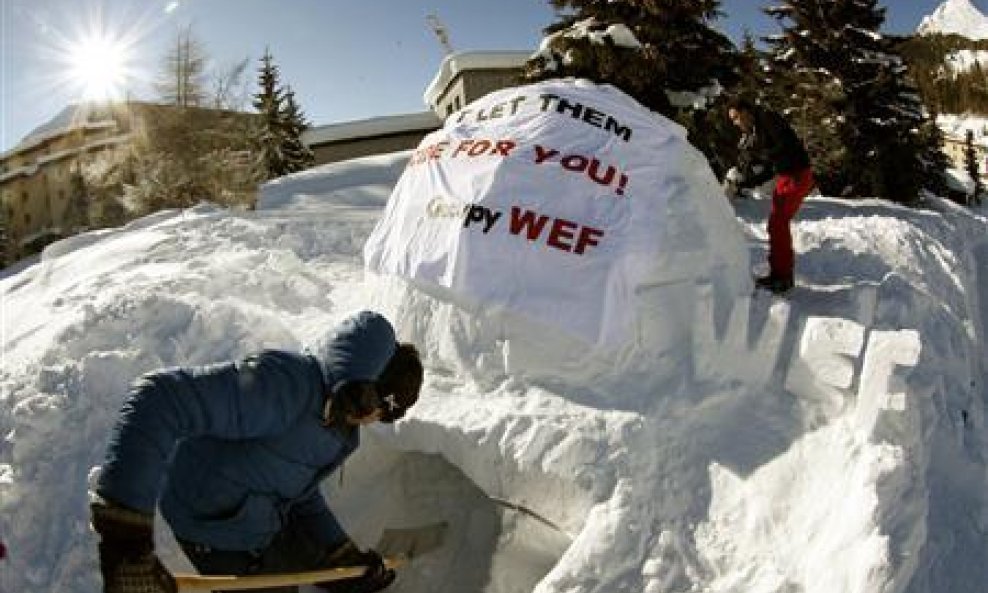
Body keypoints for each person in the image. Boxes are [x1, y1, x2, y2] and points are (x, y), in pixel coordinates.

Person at [89, 310, 424, 593]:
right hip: (211, 522)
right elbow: (158, 398)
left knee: (298, 570)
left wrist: (340, 551)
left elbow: (297, 490)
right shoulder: (286, 386)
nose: (375, 419)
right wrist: (125, 543)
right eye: (383, 408)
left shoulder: (341, 429)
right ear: (369, 383)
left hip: (258, 508)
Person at [724, 96, 815, 294]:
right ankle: (780, 274)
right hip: (786, 175)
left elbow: (784, 145)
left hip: (797, 175)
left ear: (746, 111)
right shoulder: (757, 129)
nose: (736, 123)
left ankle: (782, 277)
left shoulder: (767, 119)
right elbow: (770, 166)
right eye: (733, 120)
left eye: (737, 117)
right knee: (776, 224)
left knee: (778, 223)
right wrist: (747, 182)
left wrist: (761, 152)